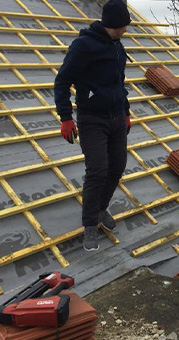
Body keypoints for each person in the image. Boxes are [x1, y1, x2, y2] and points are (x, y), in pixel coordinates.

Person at [54, 0, 131, 251]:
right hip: (92, 119)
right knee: (98, 169)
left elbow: (120, 83)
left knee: (117, 166)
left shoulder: (118, 47)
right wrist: (65, 117)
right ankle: (89, 225)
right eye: (124, 25)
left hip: (116, 117)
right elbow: (62, 81)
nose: (127, 30)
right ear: (114, 24)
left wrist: (126, 111)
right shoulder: (84, 46)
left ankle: (100, 209)